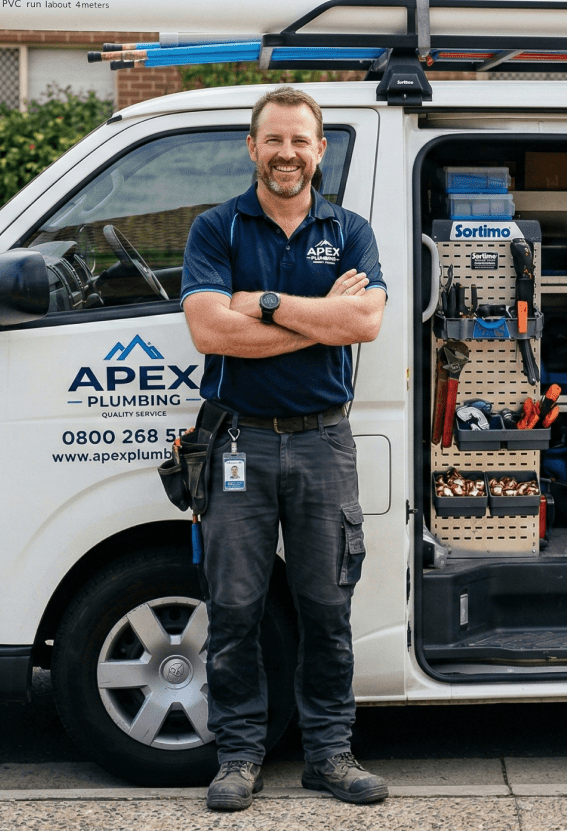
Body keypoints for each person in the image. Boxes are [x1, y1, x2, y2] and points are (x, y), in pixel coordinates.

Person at [180, 86, 388, 810]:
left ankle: (330, 754)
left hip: (323, 441)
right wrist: (322, 316)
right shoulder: (217, 228)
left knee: (326, 607)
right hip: (239, 441)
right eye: (274, 139)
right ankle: (238, 756)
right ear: (252, 147)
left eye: (300, 140)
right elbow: (209, 330)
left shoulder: (350, 230)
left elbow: (364, 324)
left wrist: (263, 303)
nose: (287, 153)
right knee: (235, 607)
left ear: (320, 149)